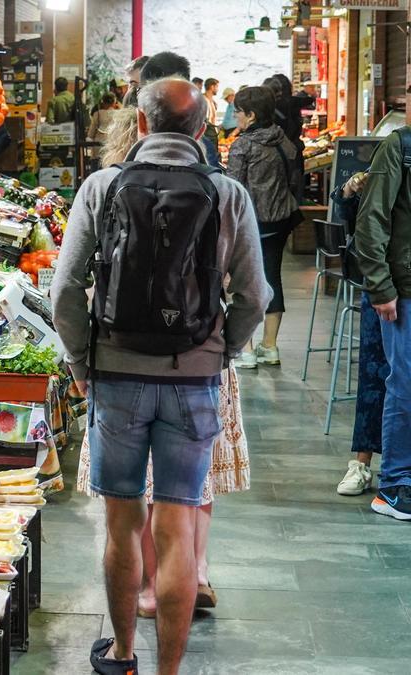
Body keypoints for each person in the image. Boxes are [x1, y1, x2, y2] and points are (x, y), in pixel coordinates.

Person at [53, 78, 269, 675]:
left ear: (140, 126)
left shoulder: (101, 187)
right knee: (176, 525)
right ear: (203, 131)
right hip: (194, 378)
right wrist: (219, 353)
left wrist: (80, 363)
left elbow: (65, 288)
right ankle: (169, 670)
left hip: (115, 376)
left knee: (123, 526)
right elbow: (255, 294)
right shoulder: (227, 195)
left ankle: (122, 655)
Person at [354, 126, 411, 521]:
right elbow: (371, 219)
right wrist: (380, 286)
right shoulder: (400, 146)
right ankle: (395, 485)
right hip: (405, 291)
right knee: (405, 386)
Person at [227, 86, 301, 369]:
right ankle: (270, 347)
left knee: (242, 281)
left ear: (251, 114)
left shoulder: (243, 145)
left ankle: (244, 350)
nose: (235, 116)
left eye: (238, 112)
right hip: (281, 220)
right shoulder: (283, 140)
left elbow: (233, 187)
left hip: (252, 223)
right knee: (273, 277)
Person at [332, 172, 388, 495]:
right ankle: (362, 462)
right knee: (373, 371)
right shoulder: (394, 153)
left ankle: (393, 466)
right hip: (381, 280)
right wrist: (351, 187)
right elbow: (346, 209)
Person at [202, 78, 222, 167]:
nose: (218, 89)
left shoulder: (212, 101)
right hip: (207, 133)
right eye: (217, 86)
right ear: (212, 86)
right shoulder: (203, 100)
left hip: (212, 134)